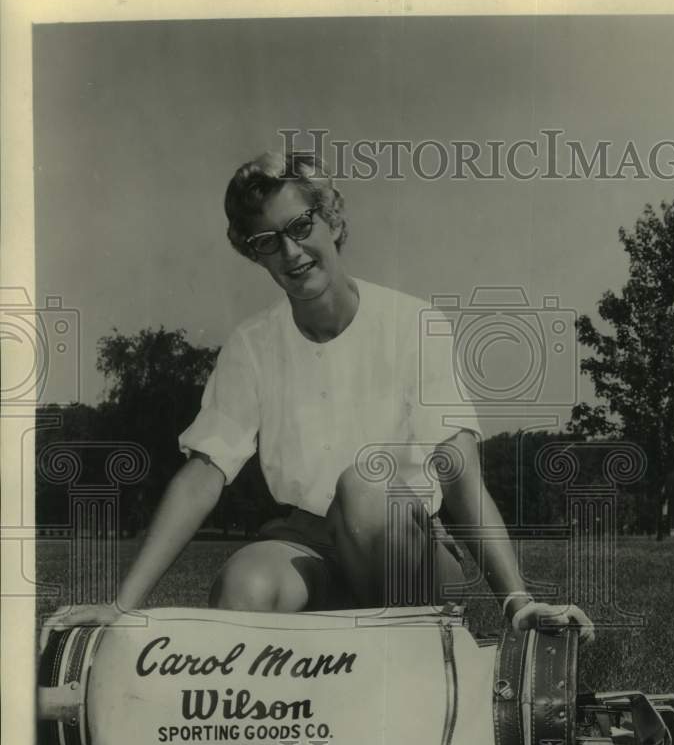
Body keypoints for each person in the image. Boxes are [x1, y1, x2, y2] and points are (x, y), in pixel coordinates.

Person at [54, 149, 594, 641]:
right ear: (255, 256)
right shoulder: (252, 345)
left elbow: (458, 470)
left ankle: (412, 652)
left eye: (300, 225)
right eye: (267, 242)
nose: (291, 251)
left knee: (364, 486)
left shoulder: (412, 322)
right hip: (306, 546)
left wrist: (517, 601)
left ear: (332, 220)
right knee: (243, 589)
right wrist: (122, 606)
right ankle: (327, 664)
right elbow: (203, 474)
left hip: (404, 548)